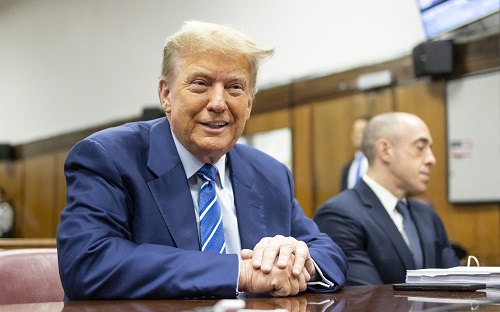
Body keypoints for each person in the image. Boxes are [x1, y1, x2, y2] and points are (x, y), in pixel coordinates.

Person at [56, 20, 347, 300]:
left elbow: (328, 253)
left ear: (249, 103)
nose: (218, 103)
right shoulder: (108, 157)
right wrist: (239, 272)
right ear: (166, 94)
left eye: (235, 87)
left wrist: (297, 260)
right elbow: (88, 263)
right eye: (200, 84)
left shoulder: (270, 173)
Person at [314, 112, 459, 285]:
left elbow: (457, 285)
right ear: (385, 151)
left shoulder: (428, 215)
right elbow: (368, 298)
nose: (431, 159)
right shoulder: (338, 216)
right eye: (420, 148)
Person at [340, 116, 369, 191]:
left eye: (361, 130)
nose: (356, 134)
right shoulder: (347, 168)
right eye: (354, 130)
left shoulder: (378, 164)